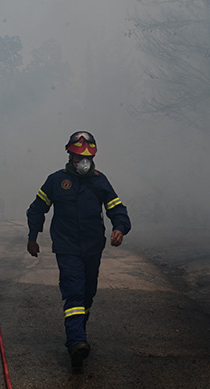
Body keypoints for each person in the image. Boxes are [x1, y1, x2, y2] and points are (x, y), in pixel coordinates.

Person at [26, 131, 131, 370]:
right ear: (69, 156)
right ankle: (76, 341)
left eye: (86, 157)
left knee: (87, 294)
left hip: (93, 247)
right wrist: (33, 237)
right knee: (74, 291)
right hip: (67, 247)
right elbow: (36, 209)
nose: (81, 162)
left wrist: (120, 228)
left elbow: (117, 208)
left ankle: (79, 336)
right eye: (77, 157)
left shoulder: (100, 180)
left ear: (93, 158)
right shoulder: (55, 181)